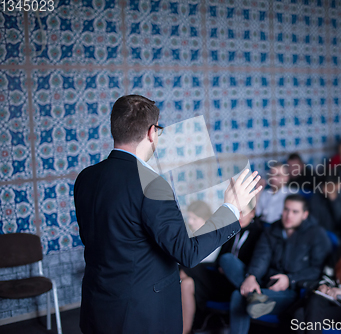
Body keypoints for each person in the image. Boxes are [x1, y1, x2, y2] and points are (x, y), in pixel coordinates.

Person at [73, 95, 262, 334]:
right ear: (152, 132)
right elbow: (188, 253)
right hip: (141, 315)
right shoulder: (152, 184)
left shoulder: (86, 177)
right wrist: (231, 209)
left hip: (97, 305)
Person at [229, 194, 331, 334]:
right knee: (227, 259)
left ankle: (254, 296)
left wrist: (289, 279)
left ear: (305, 214)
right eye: (286, 210)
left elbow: (318, 270)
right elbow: (261, 257)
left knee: (238, 296)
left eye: (295, 212)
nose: (289, 215)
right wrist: (252, 276)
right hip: (266, 284)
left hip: (293, 292)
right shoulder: (271, 230)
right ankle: (253, 294)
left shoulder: (317, 235)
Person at [179, 205, 262, 334]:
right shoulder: (232, 228)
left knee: (189, 267)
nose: (239, 216)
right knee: (186, 281)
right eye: (238, 212)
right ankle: (185, 330)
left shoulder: (259, 232)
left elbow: (256, 263)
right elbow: (220, 258)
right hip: (220, 276)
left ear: (253, 213)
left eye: (243, 212)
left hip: (239, 281)